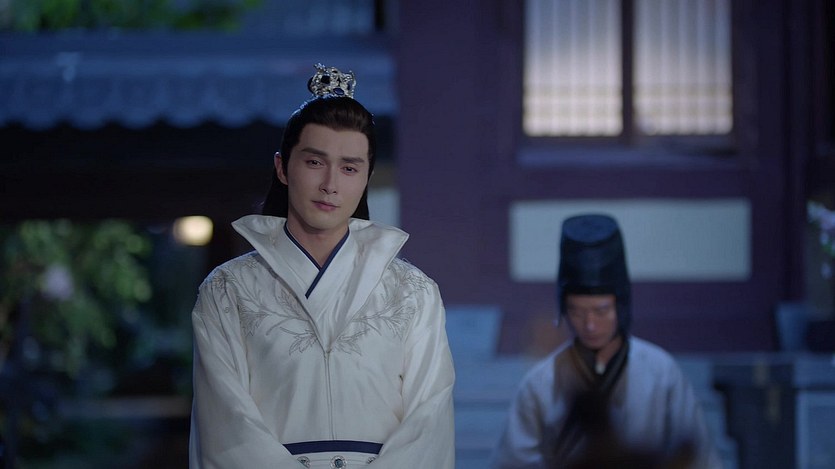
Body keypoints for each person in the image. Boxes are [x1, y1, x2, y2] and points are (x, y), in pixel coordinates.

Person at [188, 64, 456, 468]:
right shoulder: (228, 290)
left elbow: (428, 424)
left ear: (366, 177)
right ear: (283, 167)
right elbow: (226, 425)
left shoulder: (413, 293)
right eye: (315, 162)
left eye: (349, 168)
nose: (331, 184)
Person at [490, 214, 722, 469]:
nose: (590, 325)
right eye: (577, 312)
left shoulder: (661, 372)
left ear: (621, 306)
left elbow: (700, 459)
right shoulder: (541, 381)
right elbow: (512, 463)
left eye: (601, 311)